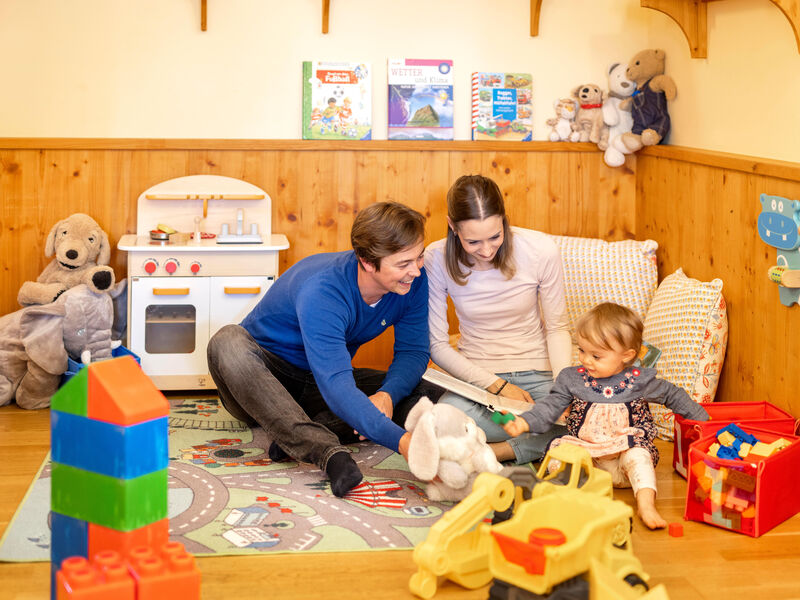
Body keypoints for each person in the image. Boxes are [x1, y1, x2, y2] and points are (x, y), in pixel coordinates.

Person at [207, 201, 435, 498]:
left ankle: (296, 431)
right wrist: (404, 444)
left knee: (428, 389)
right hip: (263, 384)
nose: (415, 271)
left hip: (319, 383)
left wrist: (387, 394)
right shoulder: (323, 288)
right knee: (226, 341)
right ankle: (326, 451)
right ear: (368, 262)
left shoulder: (413, 281)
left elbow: (413, 351)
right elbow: (337, 385)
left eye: (419, 257)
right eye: (403, 264)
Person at [502, 302, 710, 529]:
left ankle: (646, 505)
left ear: (626, 355)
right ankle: (574, 499)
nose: (585, 360)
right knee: (558, 455)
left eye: (596, 356)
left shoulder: (639, 381)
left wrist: (705, 422)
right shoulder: (572, 379)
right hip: (587, 459)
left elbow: (673, 395)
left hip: (623, 459)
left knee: (639, 456)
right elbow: (550, 406)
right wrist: (524, 422)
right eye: (582, 350)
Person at [425, 174, 573, 465]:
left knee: (583, 419)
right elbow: (437, 346)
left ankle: (496, 451)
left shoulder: (540, 250)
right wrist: (499, 387)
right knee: (441, 422)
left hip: (537, 376)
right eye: (473, 241)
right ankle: (526, 437)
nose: (486, 250)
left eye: (495, 236)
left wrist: (562, 391)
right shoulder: (436, 258)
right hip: (479, 383)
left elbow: (557, 328)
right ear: (453, 226)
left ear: (504, 220)